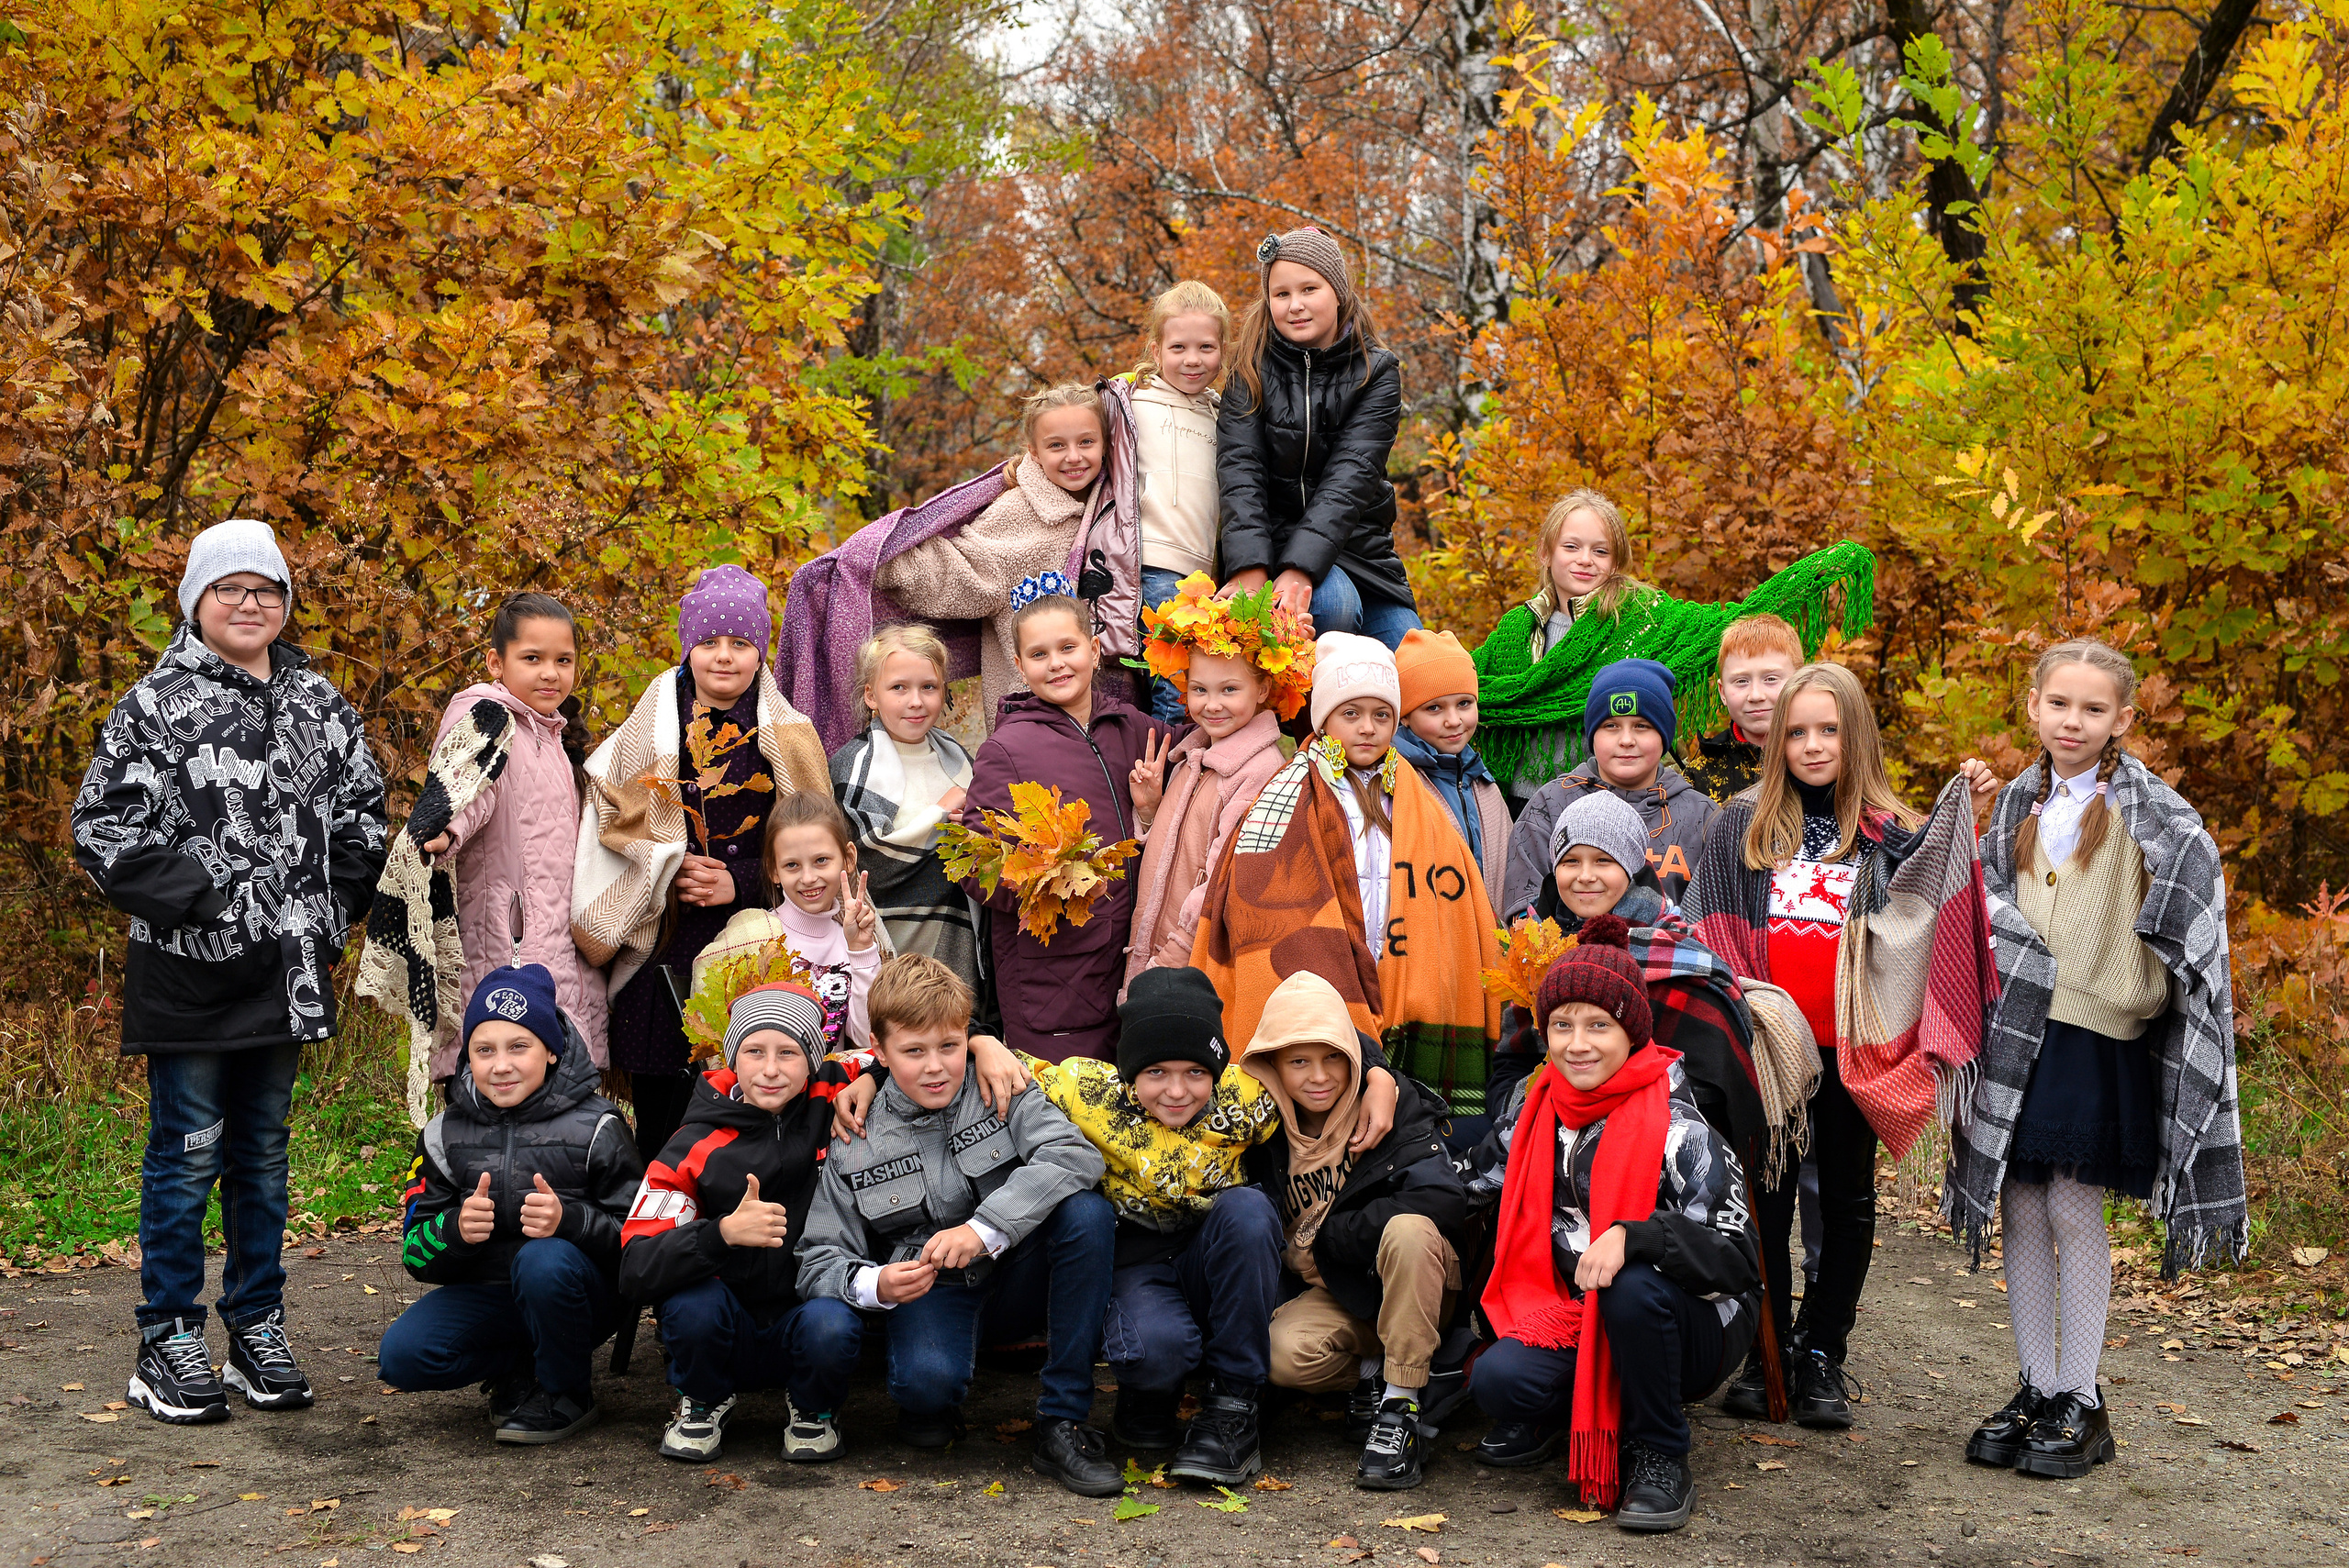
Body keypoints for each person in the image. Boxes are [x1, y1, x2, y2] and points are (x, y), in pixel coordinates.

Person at [829, 966, 1402, 1485]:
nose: (1176, 1091)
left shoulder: (1251, 1094)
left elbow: (1315, 1060)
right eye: (1155, 1072)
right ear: (1128, 1070)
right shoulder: (1083, 1089)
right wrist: (928, 1060)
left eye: (1195, 1073)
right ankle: (1144, 1401)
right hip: (1119, 1260)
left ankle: (1232, 1408)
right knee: (1137, 1325)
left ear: (1218, 1070)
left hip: (1207, 1251)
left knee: (1244, 1209)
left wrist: (1379, 1076)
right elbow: (926, 1040)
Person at [72, 517, 388, 1425]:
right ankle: (166, 1334)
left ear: (285, 603)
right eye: (230, 588)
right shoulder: (156, 704)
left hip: (288, 973)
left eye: (267, 589)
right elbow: (102, 829)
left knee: (263, 1157)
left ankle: (257, 1324)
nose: (250, 603)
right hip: (189, 976)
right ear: (197, 600)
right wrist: (206, 899)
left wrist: (330, 914)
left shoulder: (319, 704)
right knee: (185, 1159)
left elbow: (365, 810)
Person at [1947, 640, 2245, 1480]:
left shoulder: (2157, 816)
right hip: (2017, 1033)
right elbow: (1978, 905)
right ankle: (2037, 1385)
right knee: (2021, 1206)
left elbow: (2191, 915)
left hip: (2095, 1032)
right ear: (2033, 706)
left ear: (2122, 718)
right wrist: (1968, 821)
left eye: (2091, 709)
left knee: (2075, 1207)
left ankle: (2082, 1393)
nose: (2071, 722)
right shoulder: (2013, 803)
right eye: (2058, 704)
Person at [1464, 917, 1760, 1534]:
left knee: (1630, 1285)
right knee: (1495, 1380)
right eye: (1562, 1025)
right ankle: (1579, 1412)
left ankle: (1660, 1451)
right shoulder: (1533, 1107)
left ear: (1632, 1031)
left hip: (1695, 1318)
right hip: (1578, 1315)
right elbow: (1467, 1189)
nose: (1578, 1044)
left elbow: (1736, 1262)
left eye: (1599, 1024)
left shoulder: (1681, 1127)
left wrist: (1639, 1234)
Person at [1683, 662, 1919, 1429]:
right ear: (1776, 740)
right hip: (1769, 1050)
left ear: (1859, 738)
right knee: (1767, 1203)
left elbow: (1928, 932)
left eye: (1830, 731)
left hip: (1854, 1051)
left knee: (1847, 1202)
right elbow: (1708, 926)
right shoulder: (1743, 824)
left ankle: (1824, 1353)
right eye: (1797, 732)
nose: (1814, 746)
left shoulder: (1894, 836)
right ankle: (1769, 1350)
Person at [796, 954, 1122, 1496]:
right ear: (878, 1052)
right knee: (924, 1400)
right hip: (934, 1289)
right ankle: (935, 1384)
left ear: (967, 1037)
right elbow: (817, 1259)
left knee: (1086, 1212)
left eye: (949, 1047)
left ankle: (1062, 1420)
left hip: (1016, 1273)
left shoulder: (998, 1083)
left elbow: (1075, 1156)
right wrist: (874, 1284)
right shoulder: (857, 1130)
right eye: (913, 1052)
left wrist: (985, 1229)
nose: (935, 1067)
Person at [1195, 632, 1501, 1145]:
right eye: (1350, 713)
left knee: (1408, 1135)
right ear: (1323, 719)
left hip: (1399, 969)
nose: (1367, 728)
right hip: (1321, 977)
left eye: (1381, 715)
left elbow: (1456, 901)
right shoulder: (1288, 793)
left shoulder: (1416, 795)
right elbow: (1258, 896)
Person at [573, 564, 831, 1165]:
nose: (723, 656)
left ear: (760, 650)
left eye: (740, 644)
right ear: (687, 645)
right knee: (664, 1123)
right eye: (709, 642)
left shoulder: (788, 734)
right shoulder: (651, 728)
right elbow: (615, 821)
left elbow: (814, 839)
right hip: (664, 950)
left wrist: (740, 881)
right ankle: (652, 1241)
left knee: (745, 1116)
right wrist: (664, 864)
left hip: (754, 947)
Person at [1469, 493, 1876, 815]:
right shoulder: (1515, 630)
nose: (1584, 560)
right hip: (1522, 803)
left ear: (1617, 560)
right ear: (1545, 552)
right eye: (1571, 547)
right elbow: (1468, 685)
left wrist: (1820, 572)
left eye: (1600, 551)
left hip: (1616, 798)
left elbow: (1726, 623)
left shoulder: (1643, 615)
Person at [361, 593, 606, 1125]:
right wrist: (444, 831)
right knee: (500, 1093)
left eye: (563, 661)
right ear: (497, 662)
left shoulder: (555, 737)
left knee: (558, 1096)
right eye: (532, 658)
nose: (550, 674)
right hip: (504, 945)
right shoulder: (488, 718)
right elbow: (466, 789)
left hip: (557, 941)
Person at [381, 962, 643, 1443]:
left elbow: (642, 1244)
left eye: (518, 1046)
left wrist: (572, 1222)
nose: (500, 1065)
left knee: (543, 1259)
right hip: (491, 1296)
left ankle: (567, 1395)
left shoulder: (600, 1127)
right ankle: (522, 1365)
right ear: (468, 1058)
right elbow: (414, 1254)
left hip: (582, 1298)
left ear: (550, 1051)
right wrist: (454, 1230)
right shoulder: (442, 1134)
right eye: (484, 1050)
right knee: (403, 1356)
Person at [619, 983, 867, 1464]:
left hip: (804, 1315)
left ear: (814, 1058)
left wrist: (980, 1043)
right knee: (690, 1307)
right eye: (754, 1051)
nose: (771, 1069)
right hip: (724, 1325)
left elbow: (902, 1051)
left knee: (834, 1322)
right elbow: (636, 1263)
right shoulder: (694, 1141)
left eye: (789, 1052)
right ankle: (704, 1399)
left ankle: (814, 1408)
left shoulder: (830, 1097)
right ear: (734, 1058)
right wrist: (721, 1235)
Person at [1246, 970, 1466, 1491]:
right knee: (1280, 1355)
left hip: (1411, 1281)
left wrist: (1328, 1242)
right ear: (1273, 1066)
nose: (1319, 1076)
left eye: (1333, 1060)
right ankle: (1386, 1372)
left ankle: (1401, 1406)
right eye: (1299, 1062)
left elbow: (1441, 1200)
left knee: (1409, 1229)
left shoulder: (1389, 1106)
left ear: (1353, 1058)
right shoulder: (1259, 1126)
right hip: (1341, 1296)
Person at [960, 581, 1172, 1061]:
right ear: (1019, 666)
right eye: (1038, 654)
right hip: (1054, 978)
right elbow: (974, 860)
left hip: (1133, 965)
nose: (1056, 663)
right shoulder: (1008, 749)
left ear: (1095, 650)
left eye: (1067, 647)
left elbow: (1203, 740)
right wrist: (1051, 883)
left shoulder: (1131, 727)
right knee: (1065, 1119)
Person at [1216, 228, 1419, 649]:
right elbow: (1240, 471)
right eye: (1281, 294)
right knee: (1330, 604)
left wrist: (1303, 567)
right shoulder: (1249, 368)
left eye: (1310, 288)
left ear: (1339, 291)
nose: (1296, 306)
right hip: (1269, 549)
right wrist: (1250, 567)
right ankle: (1308, 715)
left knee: (1412, 656)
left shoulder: (1376, 371)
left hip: (1360, 550)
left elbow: (1352, 477)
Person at [877, 384, 1114, 730]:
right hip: (1033, 715)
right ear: (1034, 452)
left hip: (1109, 705)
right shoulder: (1018, 511)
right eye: (1057, 445)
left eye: (1086, 442)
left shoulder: (1119, 507)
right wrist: (885, 560)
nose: (1074, 456)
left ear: (1105, 444)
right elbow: (964, 575)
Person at [1125, 573, 1311, 984]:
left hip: (1186, 968)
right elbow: (1181, 849)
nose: (1212, 705)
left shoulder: (1259, 773)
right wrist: (1151, 812)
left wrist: (1164, 966)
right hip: (1154, 955)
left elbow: (1218, 883)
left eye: (1229, 690)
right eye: (1199, 690)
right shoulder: (1195, 756)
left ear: (1263, 689)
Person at [1502, 657, 1717, 916]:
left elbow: (1720, 920)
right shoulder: (1550, 804)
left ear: (1664, 735)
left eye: (1642, 726)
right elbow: (1523, 909)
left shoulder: (1702, 816)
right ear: (1592, 735)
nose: (1626, 740)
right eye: (1611, 726)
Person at [829, 624, 980, 989]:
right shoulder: (854, 763)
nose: (916, 701)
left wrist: (971, 825)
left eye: (928, 687)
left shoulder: (958, 757)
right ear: (871, 696)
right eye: (899, 687)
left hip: (956, 936)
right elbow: (872, 860)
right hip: (890, 939)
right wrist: (942, 813)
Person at [1130, 281, 1232, 723]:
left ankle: (1194, 781)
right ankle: (1169, 783)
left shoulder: (1224, 415)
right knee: (1173, 688)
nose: (1193, 359)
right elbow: (1075, 439)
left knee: (1200, 689)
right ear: (1156, 349)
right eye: (1178, 347)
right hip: (1153, 563)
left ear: (1223, 349)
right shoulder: (1130, 402)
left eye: (1206, 346)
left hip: (1202, 575)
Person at [1392, 628, 1511, 902]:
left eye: (1464, 703)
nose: (1454, 720)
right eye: (1434, 708)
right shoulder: (1398, 782)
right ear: (1406, 716)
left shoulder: (1483, 783)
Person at [1684, 613, 1801, 806]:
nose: (1756, 695)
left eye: (1771, 679)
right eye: (1741, 681)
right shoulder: (1697, 779)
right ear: (1722, 692)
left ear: (1798, 681)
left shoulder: (1820, 759)